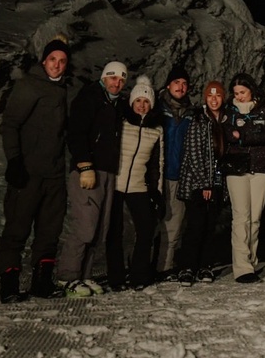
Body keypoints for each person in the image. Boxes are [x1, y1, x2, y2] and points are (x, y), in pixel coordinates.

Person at [0, 35, 70, 303]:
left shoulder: (63, 90)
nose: (57, 65)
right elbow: (10, 124)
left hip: (54, 175)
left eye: (62, 61)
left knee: (49, 231)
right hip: (28, 174)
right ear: (44, 60)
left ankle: (41, 283)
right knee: (17, 229)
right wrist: (14, 160)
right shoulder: (28, 86)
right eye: (53, 59)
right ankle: (9, 285)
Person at [58, 61, 128, 297]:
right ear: (104, 78)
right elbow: (76, 132)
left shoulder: (117, 104)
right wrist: (84, 164)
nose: (117, 83)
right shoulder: (89, 97)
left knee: (100, 229)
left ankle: (84, 275)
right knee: (85, 226)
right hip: (88, 171)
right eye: (113, 78)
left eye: (121, 80)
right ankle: (67, 276)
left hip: (108, 171)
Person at [107, 75, 164, 290]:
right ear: (132, 102)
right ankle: (116, 277)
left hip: (138, 186)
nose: (142, 105)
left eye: (146, 101)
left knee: (146, 229)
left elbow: (157, 163)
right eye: (138, 101)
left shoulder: (156, 129)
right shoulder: (122, 122)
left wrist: (156, 190)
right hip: (115, 183)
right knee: (115, 231)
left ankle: (139, 275)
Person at [221, 73, 265, 283]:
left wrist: (243, 135)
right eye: (236, 93)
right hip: (236, 169)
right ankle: (242, 267)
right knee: (240, 217)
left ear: (251, 90)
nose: (240, 96)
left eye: (243, 92)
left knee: (255, 218)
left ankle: (252, 261)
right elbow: (229, 135)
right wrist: (253, 133)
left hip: (262, 167)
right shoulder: (229, 111)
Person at [174, 80, 229, 286]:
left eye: (217, 96)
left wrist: (216, 184)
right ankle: (187, 266)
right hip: (197, 183)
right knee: (195, 225)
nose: (214, 100)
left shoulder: (224, 121)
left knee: (210, 226)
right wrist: (204, 184)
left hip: (216, 182)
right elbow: (194, 154)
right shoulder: (198, 120)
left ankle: (205, 265)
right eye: (210, 96)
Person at [156, 64, 196, 279]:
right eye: (176, 82)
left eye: (184, 83)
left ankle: (165, 268)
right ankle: (140, 266)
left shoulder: (191, 113)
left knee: (173, 225)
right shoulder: (156, 109)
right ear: (168, 85)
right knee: (149, 224)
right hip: (156, 176)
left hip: (179, 176)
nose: (180, 87)